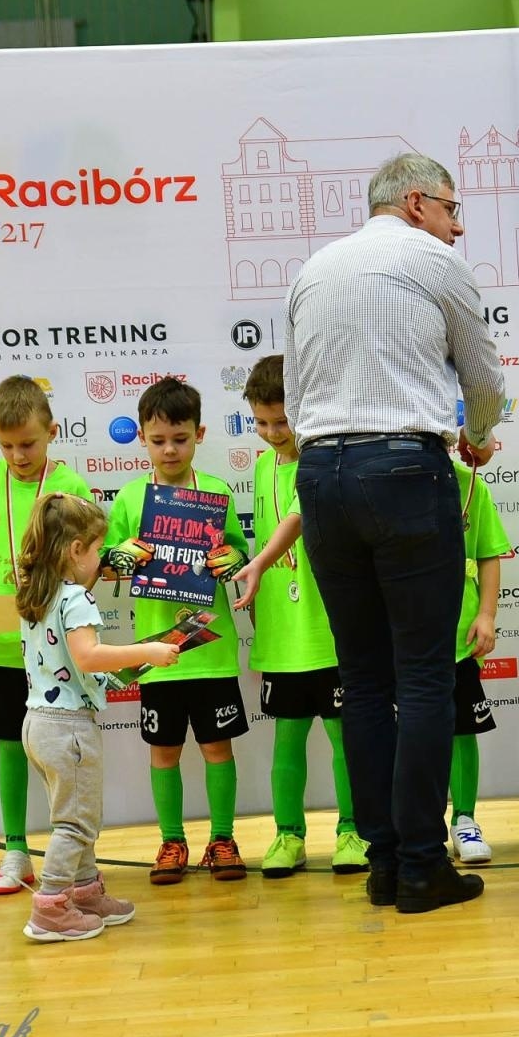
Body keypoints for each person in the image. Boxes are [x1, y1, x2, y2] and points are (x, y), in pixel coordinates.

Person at [284, 152, 506, 914]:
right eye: (451, 208)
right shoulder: (434, 260)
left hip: (318, 478)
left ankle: (382, 862)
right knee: (422, 677)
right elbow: (486, 383)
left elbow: (293, 391)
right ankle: (420, 864)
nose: (458, 223)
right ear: (416, 203)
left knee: (365, 681)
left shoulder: (313, 268)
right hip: (406, 472)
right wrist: (476, 436)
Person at [103, 377, 253, 884]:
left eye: (181, 438)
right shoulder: (129, 498)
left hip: (209, 646)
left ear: (199, 434)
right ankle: (171, 841)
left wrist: (231, 557)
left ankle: (223, 838)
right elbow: (107, 565)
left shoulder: (216, 492)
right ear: (143, 438)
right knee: (164, 750)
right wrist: (121, 559)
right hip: (155, 652)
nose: (170, 449)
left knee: (217, 748)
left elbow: (240, 554)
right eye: (159, 439)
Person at [0, 375, 94, 895]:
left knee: (65, 750)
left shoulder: (70, 486)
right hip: (1, 645)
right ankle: (15, 850)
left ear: (52, 431)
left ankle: (75, 852)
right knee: (10, 746)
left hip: (56, 646)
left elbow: (88, 564)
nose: (17, 455)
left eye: (28, 443)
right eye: (6, 445)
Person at [14, 492, 180, 942]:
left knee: (73, 815)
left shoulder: (39, 593)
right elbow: (87, 657)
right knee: (76, 822)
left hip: (38, 723)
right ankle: (50, 906)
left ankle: (85, 892)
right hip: (68, 729)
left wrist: (125, 666)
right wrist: (147, 649)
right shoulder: (76, 598)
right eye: (98, 550)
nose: (101, 561)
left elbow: (68, 663)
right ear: (76, 550)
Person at [229, 355, 366, 877]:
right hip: (282, 635)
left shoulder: (326, 458)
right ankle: (288, 834)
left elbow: (299, 517)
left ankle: (353, 831)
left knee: (342, 737)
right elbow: (263, 536)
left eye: (280, 422)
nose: (270, 433)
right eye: (260, 423)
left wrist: (261, 561)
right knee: (287, 737)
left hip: (329, 629)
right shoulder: (263, 466)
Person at [446, 453, 508, 865]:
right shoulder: (385, 476)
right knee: (411, 733)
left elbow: (488, 555)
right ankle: (423, 825)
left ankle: (465, 819)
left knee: (461, 730)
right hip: (405, 638)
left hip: (460, 638)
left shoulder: (470, 485)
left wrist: (486, 614)